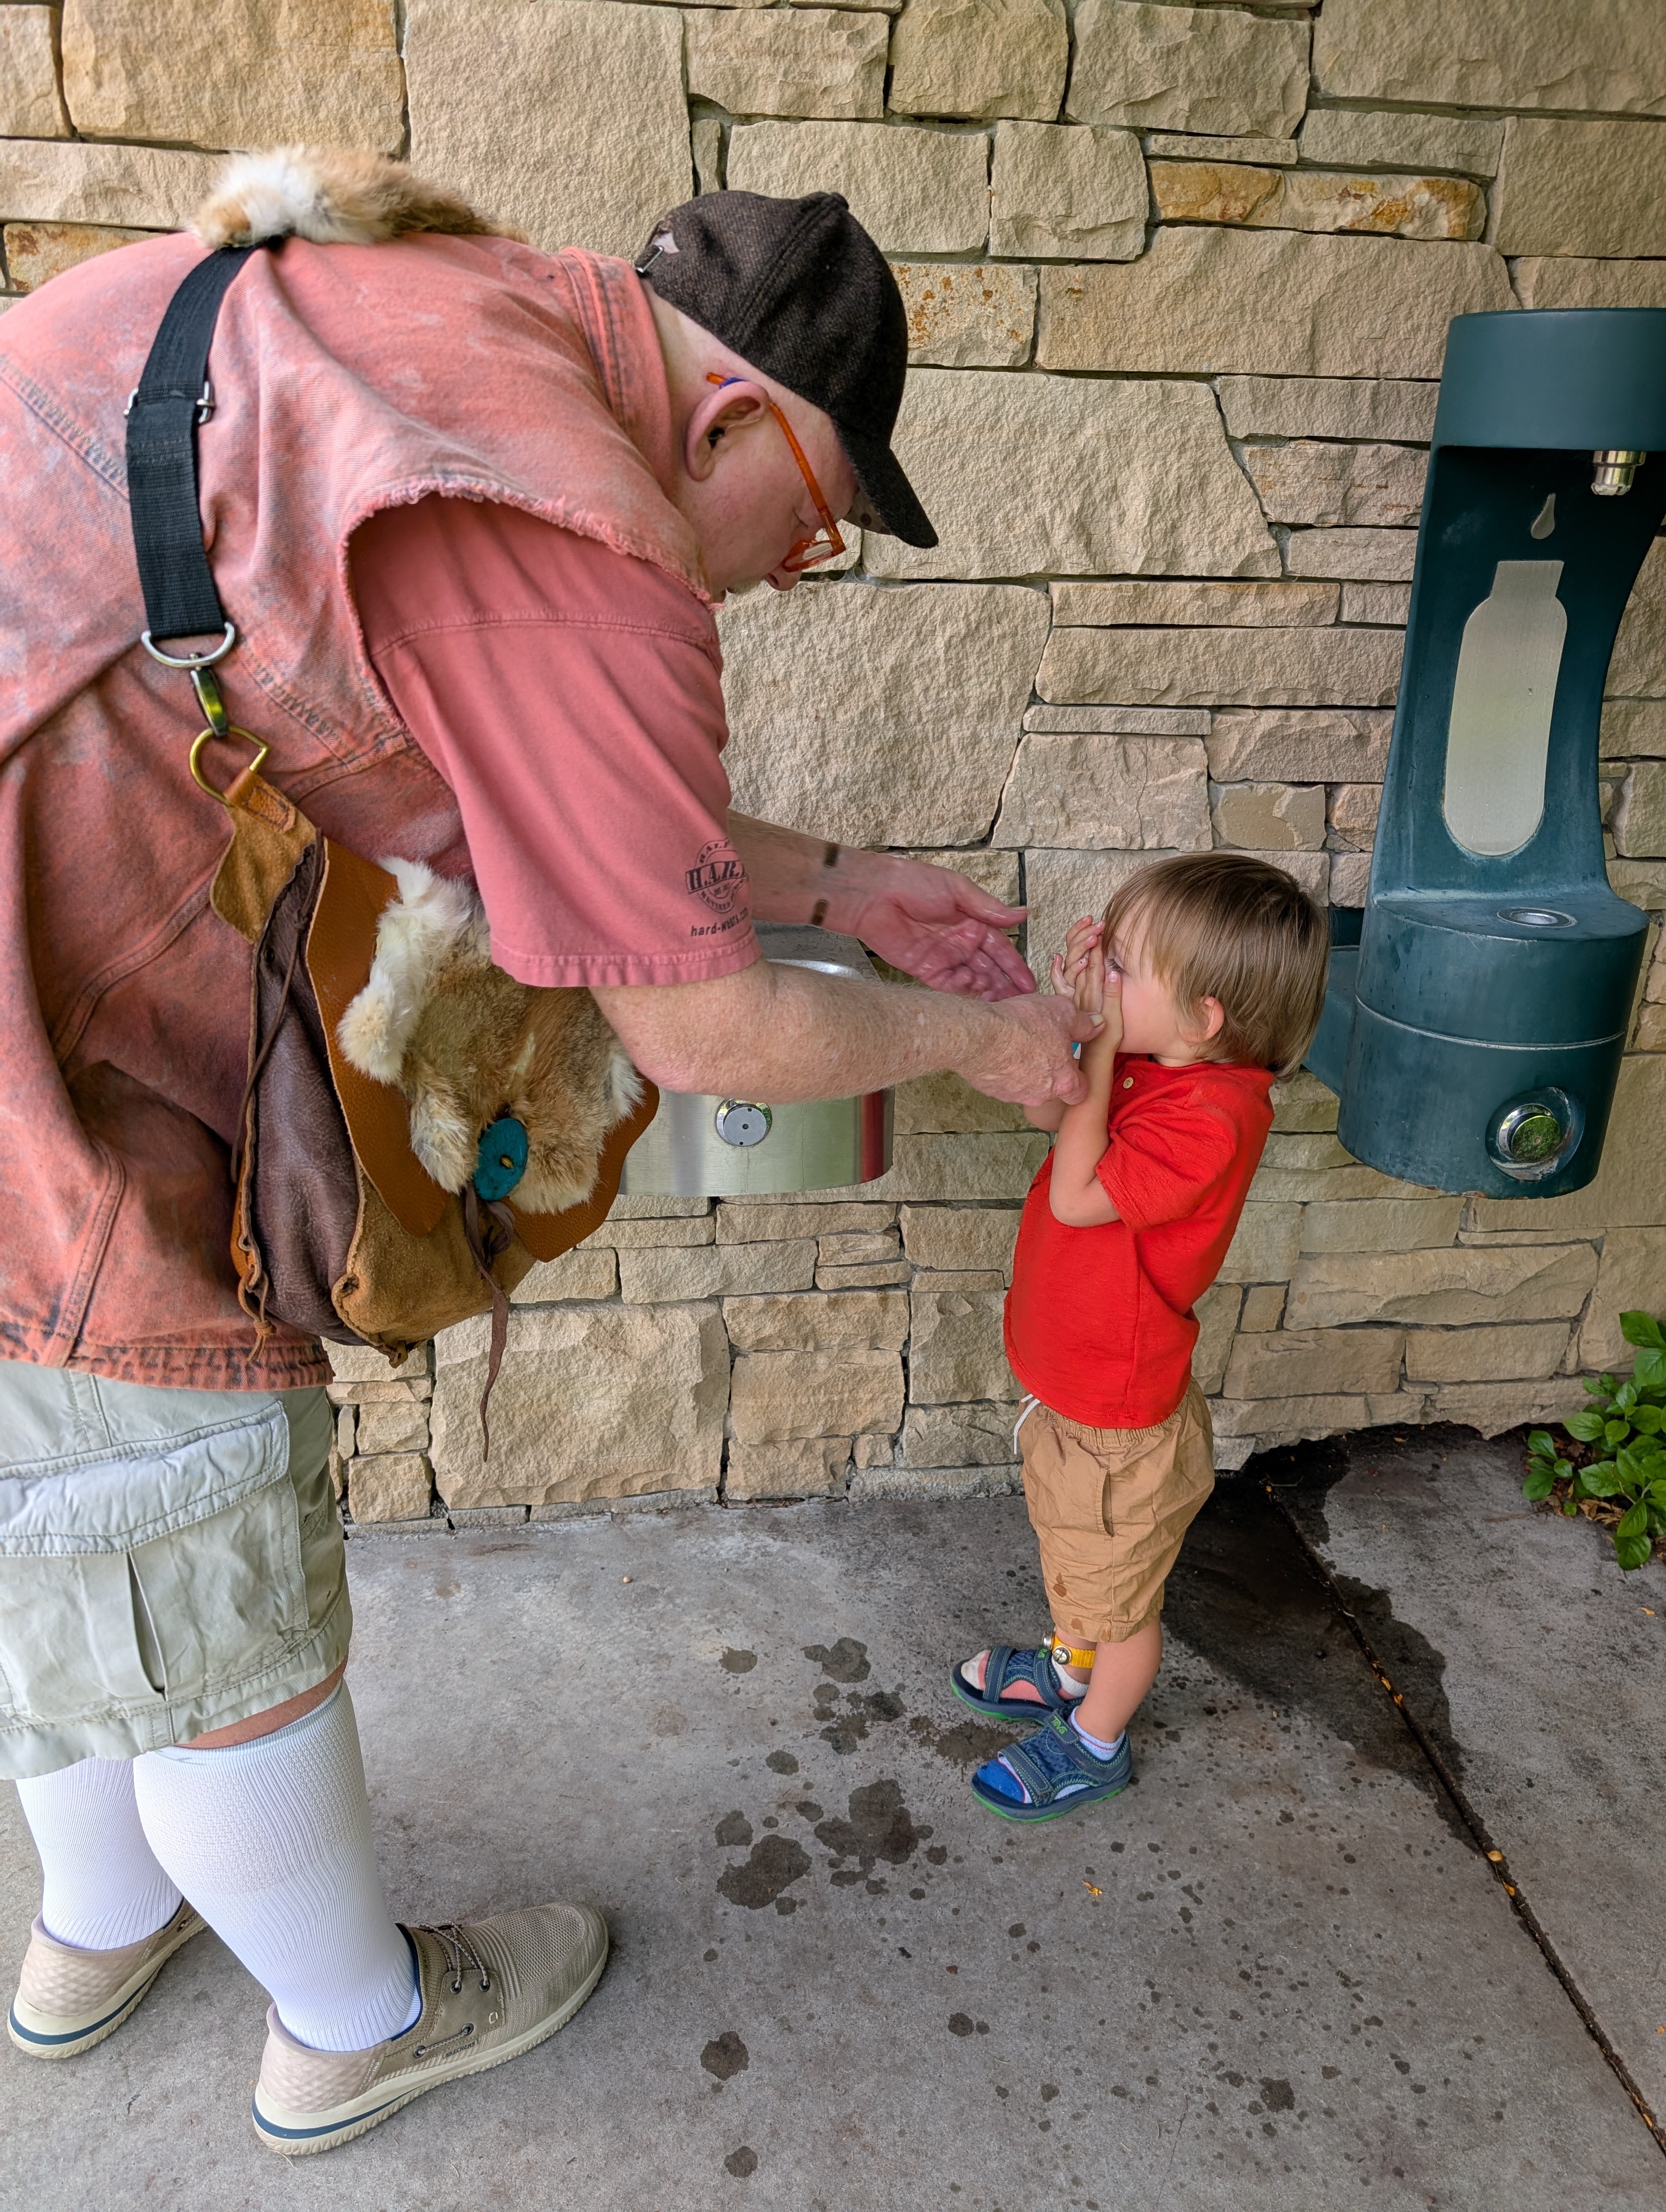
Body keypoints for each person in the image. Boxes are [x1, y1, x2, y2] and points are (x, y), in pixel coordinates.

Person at [0, 151, 1088, 2152]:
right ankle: (354, 2023)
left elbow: (561, 792)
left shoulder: (428, 330)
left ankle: (99, 1925)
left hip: (51, 930)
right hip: (41, 1076)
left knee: (55, 1527)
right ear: (731, 417)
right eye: (815, 528)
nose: (784, 573)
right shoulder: (573, 518)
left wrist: (846, 878)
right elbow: (710, 1025)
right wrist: (991, 1043)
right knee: (185, 1518)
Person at [952, 854, 1329, 1823]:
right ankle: (1068, 1668)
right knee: (1080, 1557)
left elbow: (1078, 1197)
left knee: (1122, 1602)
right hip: (1078, 1387)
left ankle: (1095, 1740)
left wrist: (1104, 1048)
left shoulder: (1212, 1117)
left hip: (1117, 1419)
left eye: (1122, 966)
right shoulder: (1153, 1065)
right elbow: (1049, 1112)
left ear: (1204, 1018)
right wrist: (1078, 1028)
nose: (1104, 976)